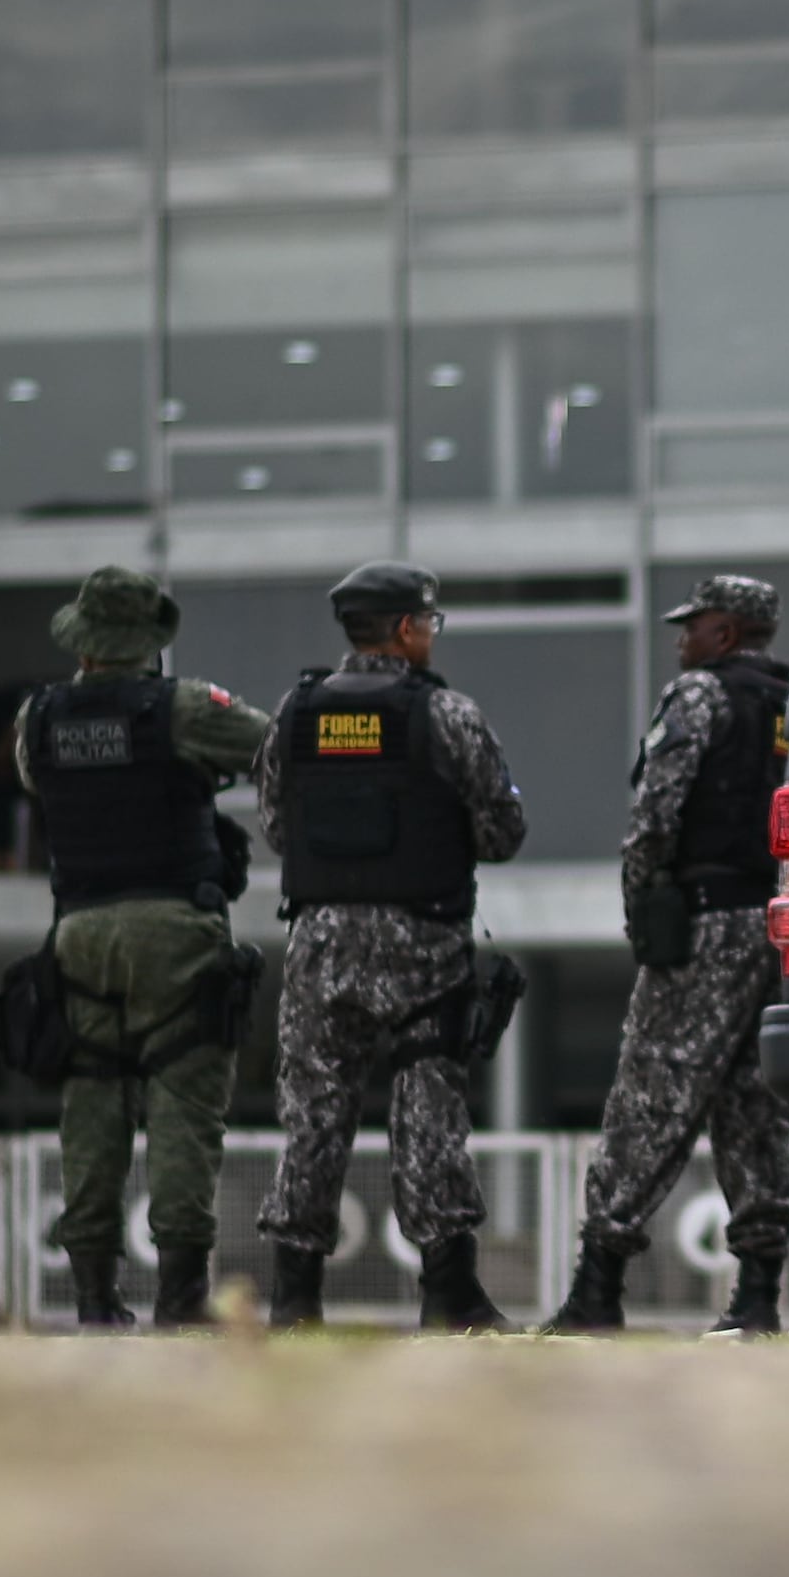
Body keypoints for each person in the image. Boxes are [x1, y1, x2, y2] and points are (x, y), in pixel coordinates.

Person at [254, 561, 531, 1330]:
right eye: (429, 624)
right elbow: (503, 832)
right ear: (408, 629)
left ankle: (294, 1296)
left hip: (321, 944)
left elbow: (277, 823)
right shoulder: (448, 716)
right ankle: (449, 1292)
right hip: (423, 945)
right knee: (428, 1114)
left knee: (312, 1114)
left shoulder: (295, 712)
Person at [18, 564, 271, 1327]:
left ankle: (95, 1298)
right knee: (182, 1100)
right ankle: (181, 1297)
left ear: (85, 642)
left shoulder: (38, 718)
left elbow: (46, 784)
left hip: (79, 931)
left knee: (92, 1101)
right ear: (145, 640)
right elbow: (272, 745)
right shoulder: (181, 708)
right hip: (172, 925)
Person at [546, 574, 789, 1337]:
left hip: (706, 925)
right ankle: (757, 1297)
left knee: (650, 1098)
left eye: (694, 626)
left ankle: (599, 1287)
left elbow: (655, 816)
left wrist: (643, 914)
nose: (682, 639)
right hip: (781, 925)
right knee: (753, 1107)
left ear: (726, 633)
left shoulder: (698, 696)